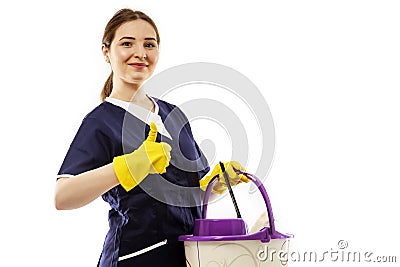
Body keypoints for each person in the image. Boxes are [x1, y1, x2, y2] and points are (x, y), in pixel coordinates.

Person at [54, 8, 249, 267]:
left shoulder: (173, 115)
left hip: (187, 257)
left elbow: (186, 196)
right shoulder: (101, 122)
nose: (140, 53)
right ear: (106, 52)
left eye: (149, 44)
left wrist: (212, 184)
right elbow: (62, 196)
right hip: (135, 259)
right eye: (127, 43)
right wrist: (127, 167)